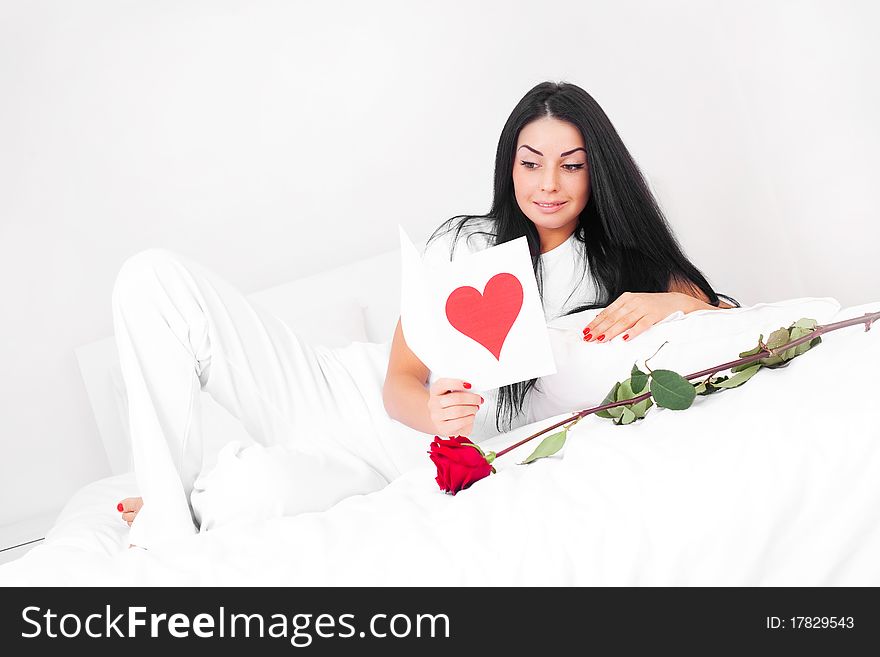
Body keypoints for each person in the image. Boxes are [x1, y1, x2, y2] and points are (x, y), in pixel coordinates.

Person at [116, 80, 737, 544]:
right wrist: (431, 410)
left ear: (597, 172)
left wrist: (675, 299)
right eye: (531, 163)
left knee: (241, 499)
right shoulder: (465, 243)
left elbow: (731, 316)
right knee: (153, 279)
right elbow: (396, 384)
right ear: (509, 166)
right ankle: (165, 521)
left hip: (399, 472)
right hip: (343, 399)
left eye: (571, 166)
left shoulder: (625, 267)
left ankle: (181, 503)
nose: (549, 184)